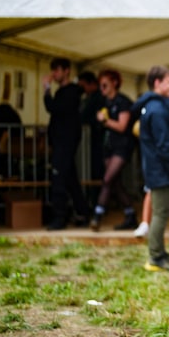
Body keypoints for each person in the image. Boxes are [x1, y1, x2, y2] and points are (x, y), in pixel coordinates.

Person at [132, 65, 169, 271]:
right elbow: (165, 145)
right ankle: (155, 257)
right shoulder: (157, 109)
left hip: (157, 169)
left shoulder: (153, 106)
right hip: (160, 170)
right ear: (157, 83)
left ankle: (159, 253)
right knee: (161, 213)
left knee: (161, 212)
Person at [43, 58, 91, 230]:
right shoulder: (65, 92)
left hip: (65, 142)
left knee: (59, 179)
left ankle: (59, 217)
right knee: (70, 179)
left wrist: (47, 90)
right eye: (53, 70)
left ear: (66, 71)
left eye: (57, 70)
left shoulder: (70, 93)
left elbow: (53, 108)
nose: (54, 74)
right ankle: (83, 212)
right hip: (61, 141)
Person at [90, 69, 138, 231]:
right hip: (109, 147)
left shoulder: (123, 101)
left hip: (122, 147)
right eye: (100, 85)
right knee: (114, 183)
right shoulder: (105, 102)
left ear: (114, 83)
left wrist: (105, 121)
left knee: (107, 179)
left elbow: (122, 126)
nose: (101, 88)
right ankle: (130, 214)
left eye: (104, 84)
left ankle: (97, 215)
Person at [77, 71, 105, 204]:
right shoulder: (86, 99)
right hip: (87, 144)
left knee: (96, 172)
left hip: (95, 143)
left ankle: (96, 202)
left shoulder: (98, 98)